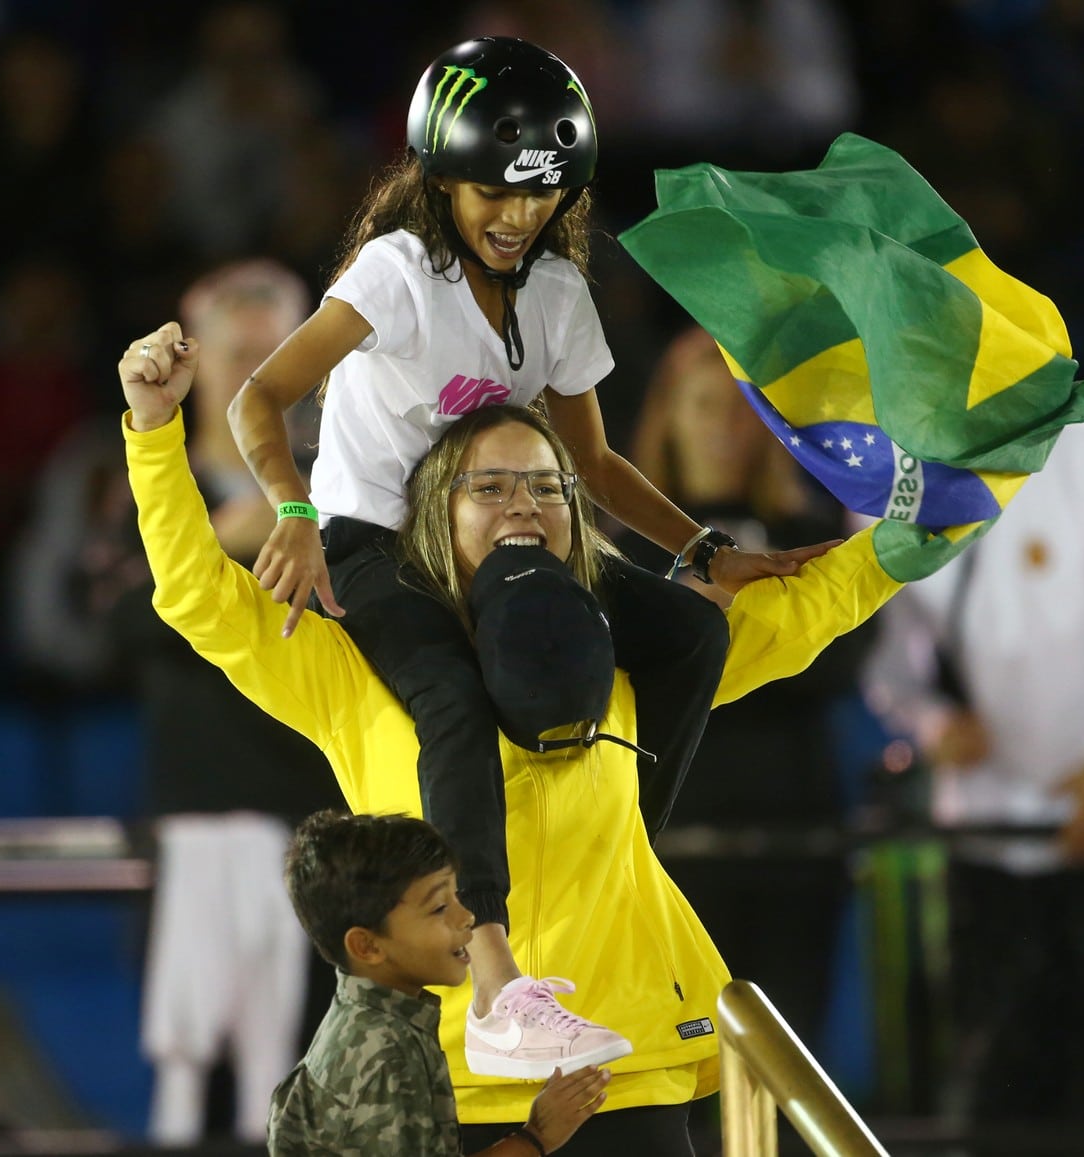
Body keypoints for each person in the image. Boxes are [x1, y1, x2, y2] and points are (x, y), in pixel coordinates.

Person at [118, 323, 918, 1150]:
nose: (524, 507)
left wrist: (937, 518)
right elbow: (200, 598)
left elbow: (810, 606)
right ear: (437, 512)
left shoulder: (625, 656)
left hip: (625, 1073)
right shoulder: (358, 667)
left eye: (545, 487)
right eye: (490, 488)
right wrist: (152, 434)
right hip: (445, 1089)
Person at [223, 35, 817, 1075]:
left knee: (683, 630)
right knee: (448, 700)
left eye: (539, 196)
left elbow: (589, 460)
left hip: (510, 533)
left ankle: (622, 838)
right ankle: (496, 981)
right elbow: (256, 396)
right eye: (492, 193)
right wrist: (292, 508)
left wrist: (704, 547)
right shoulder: (396, 274)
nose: (516, 217)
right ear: (438, 179)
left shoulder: (554, 295)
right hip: (380, 544)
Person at [863, 417, 1084, 1144]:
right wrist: (932, 724)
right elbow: (888, 662)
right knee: (1007, 1105)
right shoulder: (888, 473)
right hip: (990, 843)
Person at [98, 262, 342, 1145]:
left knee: (325, 1060)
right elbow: (97, 628)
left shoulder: (348, 474)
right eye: (233, 350)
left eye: (271, 352)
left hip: (325, 808)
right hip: (191, 811)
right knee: (195, 1065)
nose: (251, 370)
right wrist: (216, 548)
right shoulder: (137, 473)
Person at [622, 327, 871, 1148]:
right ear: (668, 416)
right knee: (676, 1048)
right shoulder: (618, 543)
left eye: (740, 409)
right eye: (703, 405)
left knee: (789, 1047)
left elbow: (844, 660)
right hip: (667, 837)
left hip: (794, 826)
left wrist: (707, 646)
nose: (723, 426)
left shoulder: (802, 524)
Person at [269, 808, 609, 1156]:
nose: (467, 917)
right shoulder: (388, 1056)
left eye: (456, 897)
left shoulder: (367, 1020)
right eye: (437, 908)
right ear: (367, 946)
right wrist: (537, 1137)